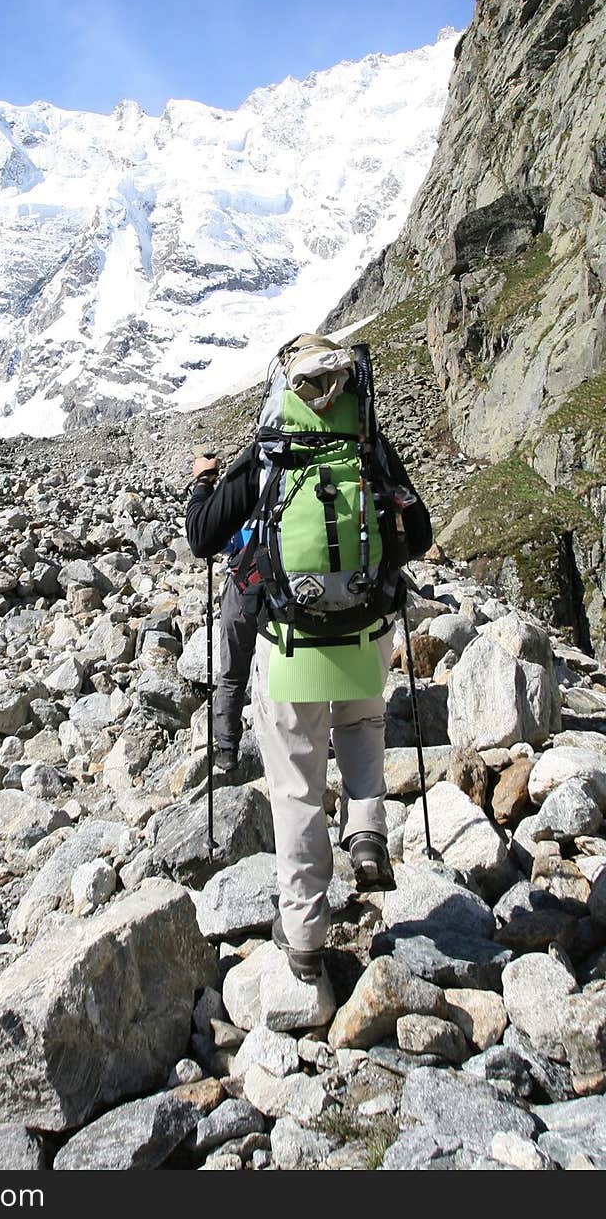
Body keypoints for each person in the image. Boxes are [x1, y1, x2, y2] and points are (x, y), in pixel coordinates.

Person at [186, 339, 432, 984]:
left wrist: (202, 481)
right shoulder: (366, 443)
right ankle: (369, 831)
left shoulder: (271, 449)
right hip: (366, 633)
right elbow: (420, 533)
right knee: (361, 725)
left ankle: (304, 937)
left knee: (296, 786)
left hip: (292, 644)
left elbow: (204, 537)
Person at [213, 524, 264, 771]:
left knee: (232, 671)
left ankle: (227, 747)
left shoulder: (240, 493)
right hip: (284, 591)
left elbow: (223, 544)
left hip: (242, 587)